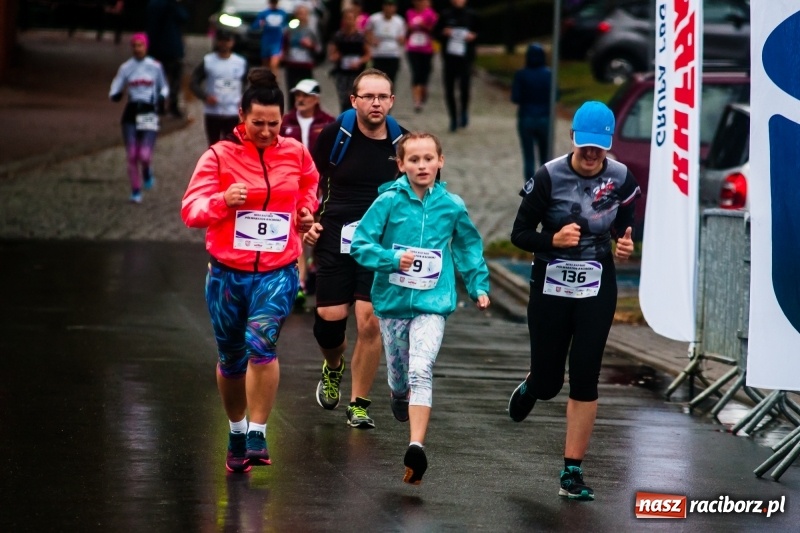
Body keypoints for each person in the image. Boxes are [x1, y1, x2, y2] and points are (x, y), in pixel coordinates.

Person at [180, 68, 319, 473]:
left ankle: (258, 430)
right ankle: (237, 430)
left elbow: (310, 183)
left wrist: (305, 211)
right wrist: (223, 199)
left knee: (262, 344)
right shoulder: (219, 156)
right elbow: (191, 210)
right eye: (257, 122)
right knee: (231, 358)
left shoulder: (294, 151)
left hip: (277, 270)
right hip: (227, 274)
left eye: (273, 123)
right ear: (241, 115)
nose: (265, 130)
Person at [506, 101, 640, 501]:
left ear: (608, 145)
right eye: (585, 148)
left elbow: (622, 222)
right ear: (573, 141)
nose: (591, 156)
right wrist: (552, 240)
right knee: (550, 382)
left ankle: (572, 472)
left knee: (585, 373)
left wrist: (625, 242)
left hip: (597, 285)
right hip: (550, 283)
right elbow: (519, 233)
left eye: (598, 148)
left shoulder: (621, 177)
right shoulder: (548, 176)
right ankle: (533, 386)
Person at [350, 131, 490, 484]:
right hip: (393, 304)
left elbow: (467, 247)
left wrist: (478, 285)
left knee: (421, 368)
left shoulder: (452, 205)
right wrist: (391, 259)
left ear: (440, 161)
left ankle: (416, 445)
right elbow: (360, 244)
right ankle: (398, 395)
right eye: (413, 159)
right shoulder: (387, 202)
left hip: (432, 304)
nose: (422, 165)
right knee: (399, 376)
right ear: (401, 165)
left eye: (429, 158)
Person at [303, 68, 408, 429]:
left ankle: (359, 403)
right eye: (369, 96)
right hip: (336, 239)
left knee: (370, 322)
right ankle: (333, 366)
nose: (376, 103)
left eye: (383, 97)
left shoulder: (402, 144)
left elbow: (421, 195)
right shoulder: (335, 136)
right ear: (354, 100)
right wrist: (310, 219)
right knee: (329, 325)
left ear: (392, 101)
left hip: (380, 247)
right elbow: (308, 182)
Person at [280, 78, 336, 305]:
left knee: (319, 229)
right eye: (297, 95)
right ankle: (300, 283)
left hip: (322, 186)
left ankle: (313, 267)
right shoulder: (285, 122)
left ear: (316, 98)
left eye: (305, 95)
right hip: (295, 186)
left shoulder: (329, 123)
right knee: (299, 231)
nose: (300, 100)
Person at [109, 33, 168, 204]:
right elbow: (117, 84)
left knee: (144, 155)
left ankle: (147, 170)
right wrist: (115, 94)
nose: (137, 49)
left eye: (140, 45)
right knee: (132, 155)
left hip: (149, 111)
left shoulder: (155, 66)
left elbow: (164, 87)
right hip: (131, 112)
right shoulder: (126, 67)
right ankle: (135, 190)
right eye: (134, 45)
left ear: (146, 47)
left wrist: (162, 97)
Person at [190, 29, 249, 146]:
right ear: (217, 42)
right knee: (214, 145)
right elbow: (194, 82)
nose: (224, 44)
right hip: (213, 112)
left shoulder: (240, 62)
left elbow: (247, 83)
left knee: (231, 146)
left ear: (232, 42)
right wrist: (205, 97)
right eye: (221, 41)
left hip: (232, 112)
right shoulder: (209, 61)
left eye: (227, 41)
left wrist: (244, 98)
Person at [434, 0, 479, 132]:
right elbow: (436, 33)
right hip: (449, 58)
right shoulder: (445, 15)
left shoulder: (472, 15)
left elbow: (481, 32)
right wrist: (444, 33)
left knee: (464, 87)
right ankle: (453, 118)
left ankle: (464, 111)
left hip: (465, 58)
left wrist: (473, 36)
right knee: (449, 89)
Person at [512, 43, 553, 183]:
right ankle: (544, 186)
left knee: (528, 157)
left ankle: (530, 188)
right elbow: (556, 96)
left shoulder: (521, 74)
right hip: (545, 118)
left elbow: (515, 97)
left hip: (526, 117)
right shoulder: (549, 74)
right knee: (545, 157)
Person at [146, 0, 188, 118]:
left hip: (162, 48)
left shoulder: (155, 4)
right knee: (172, 79)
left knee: (163, 79)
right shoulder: (171, 5)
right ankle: (170, 106)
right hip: (171, 48)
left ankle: (161, 105)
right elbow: (184, 17)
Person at [328, 8, 370, 113]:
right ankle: (344, 120)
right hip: (342, 73)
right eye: (346, 19)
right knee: (344, 99)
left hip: (356, 73)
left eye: (351, 19)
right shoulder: (338, 36)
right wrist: (336, 56)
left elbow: (368, 54)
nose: (348, 21)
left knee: (354, 97)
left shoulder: (360, 37)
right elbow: (332, 55)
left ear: (355, 20)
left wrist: (359, 61)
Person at [282, 4, 322, 102]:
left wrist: (311, 45)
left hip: (306, 65)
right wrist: (283, 54)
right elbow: (285, 44)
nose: (301, 16)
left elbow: (319, 48)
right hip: (292, 64)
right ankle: (292, 114)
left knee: (307, 92)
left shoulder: (312, 30)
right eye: (299, 14)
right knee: (292, 91)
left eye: (303, 14)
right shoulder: (290, 29)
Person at [405, 0, 438, 113]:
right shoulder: (410, 12)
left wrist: (423, 25)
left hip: (426, 49)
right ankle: (417, 101)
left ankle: (423, 91)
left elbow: (435, 30)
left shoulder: (430, 13)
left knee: (425, 73)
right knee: (416, 72)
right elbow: (407, 29)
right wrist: (410, 27)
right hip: (412, 48)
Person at [365, 0, 406, 84]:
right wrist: (372, 40)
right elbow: (367, 32)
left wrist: (401, 41)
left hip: (393, 54)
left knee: (391, 80)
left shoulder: (399, 21)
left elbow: (402, 37)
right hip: (378, 54)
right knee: (377, 79)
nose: (389, 8)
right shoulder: (374, 18)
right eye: (387, 5)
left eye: (391, 6)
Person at [252, 0, 290, 74]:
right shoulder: (264, 13)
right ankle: (266, 82)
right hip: (266, 42)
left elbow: (286, 26)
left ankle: (274, 82)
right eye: (272, 2)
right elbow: (254, 26)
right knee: (265, 66)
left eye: (275, 2)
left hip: (277, 42)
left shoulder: (282, 13)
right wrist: (260, 24)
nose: (274, 4)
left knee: (274, 64)